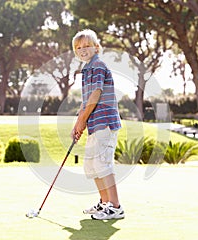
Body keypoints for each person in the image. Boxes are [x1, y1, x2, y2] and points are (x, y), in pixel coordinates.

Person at [71, 29, 124, 220]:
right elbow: (86, 102)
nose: (83, 50)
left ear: (96, 48)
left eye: (87, 46)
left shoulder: (98, 65)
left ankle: (116, 207)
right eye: (79, 47)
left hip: (105, 123)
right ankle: (104, 203)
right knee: (92, 166)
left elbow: (95, 95)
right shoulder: (86, 70)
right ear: (76, 52)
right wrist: (78, 123)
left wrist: (82, 120)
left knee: (102, 164)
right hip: (95, 125)